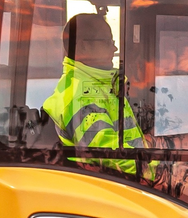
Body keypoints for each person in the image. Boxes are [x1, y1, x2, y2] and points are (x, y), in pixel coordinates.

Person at [43, 11, 144, 171]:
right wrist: (160, 174)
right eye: (107, 42)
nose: (115, 47)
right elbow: (112, 159)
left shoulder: (100, 85)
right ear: (83, 45)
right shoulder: (81, 95)